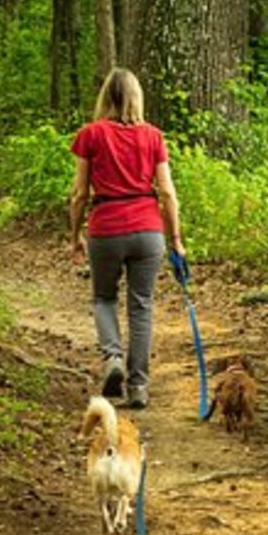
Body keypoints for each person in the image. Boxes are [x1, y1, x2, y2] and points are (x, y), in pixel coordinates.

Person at [69, 68, 184, 409]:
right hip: (148, 230)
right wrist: (175, 237)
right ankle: (138, 387)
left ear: (105, 97)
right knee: (141, 306)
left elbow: (79, 193)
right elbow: (166, 192)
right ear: (137, 97)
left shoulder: (90, 135)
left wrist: (74, 234)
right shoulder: (153, 137)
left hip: (106, 227)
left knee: (104, 298)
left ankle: (113, 358)